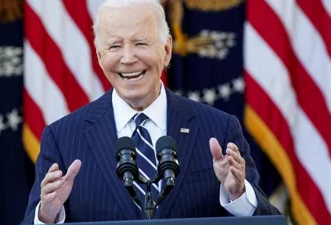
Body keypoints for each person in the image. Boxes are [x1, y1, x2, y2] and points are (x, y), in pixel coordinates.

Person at [20, 0, 280, 224]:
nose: (128, 57)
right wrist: (48, 215)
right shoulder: (63, 138)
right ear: (99, 56)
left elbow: (267, 220)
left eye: (140, 43)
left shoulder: (218, 130)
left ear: (166, 50)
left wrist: (237, 196)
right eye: (114, 46)